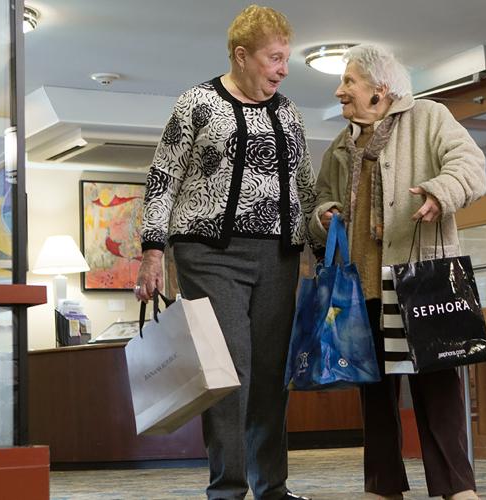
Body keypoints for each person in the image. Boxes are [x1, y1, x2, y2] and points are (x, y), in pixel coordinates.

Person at [135, 5, 315, 500]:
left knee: (270, 374)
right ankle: (228, 489)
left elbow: (305, 186)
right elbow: (163, 177)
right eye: (274, 58)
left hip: (278, 256)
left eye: (286, 59)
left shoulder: (289, 112)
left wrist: (320, 240)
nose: (282, 69)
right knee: (230, 370)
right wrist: (153, 251)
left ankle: (272, 487)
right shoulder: (197, 102)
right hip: (210, 252)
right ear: (242, 56)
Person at [309, 44, 486, 500]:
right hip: (362, 286)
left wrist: (438, 191)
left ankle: (456, 488)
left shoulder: (429, 118)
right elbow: (319, 199)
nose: (339, 91)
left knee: (438, 389)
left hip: (420, 279)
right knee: (375, 394)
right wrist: (324, 215)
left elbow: (470, 166)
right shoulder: (339, 146)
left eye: (349, 82)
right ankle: (383, 486)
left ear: (380, 89)